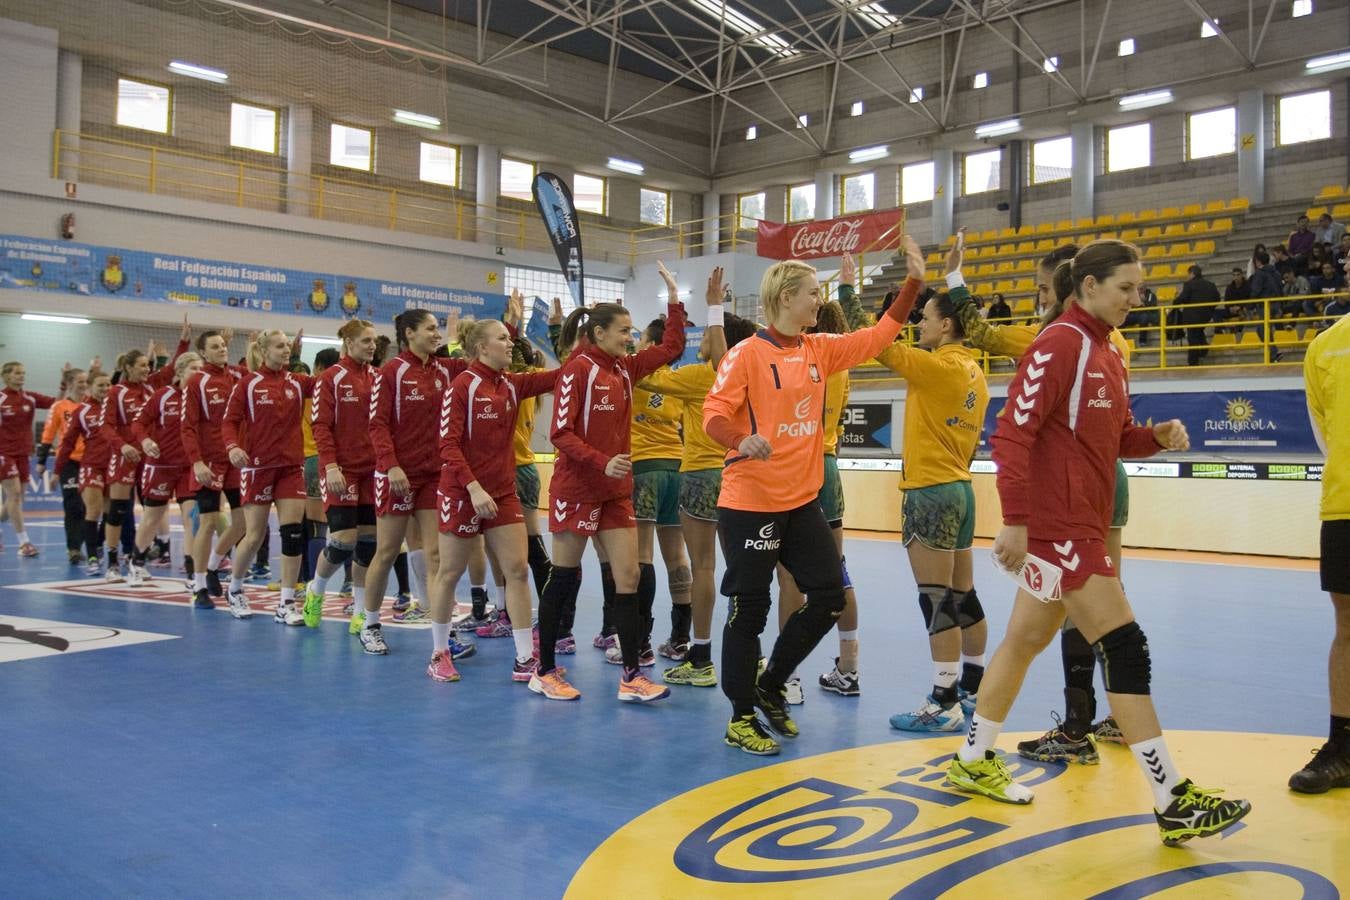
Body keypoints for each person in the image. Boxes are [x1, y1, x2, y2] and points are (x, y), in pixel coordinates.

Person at [947, 239, 1252, 846]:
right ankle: (1172, 799)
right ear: (1089, 286)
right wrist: (1016, 520)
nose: (1137, 299)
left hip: (1080, 522)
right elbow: (1011, 434)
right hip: (1062, 530)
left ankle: (974, 757)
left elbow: (1113, 440)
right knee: (1126, 647)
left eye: (1140, 289)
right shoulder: (1060, 343)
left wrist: (1154, 437)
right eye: (1126, 288)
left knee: (1023, 641)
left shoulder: (1109, 351)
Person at [702, 236, 923, 755]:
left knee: (828, 596)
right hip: (750, 502)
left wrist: (913, 283)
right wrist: (741, 439)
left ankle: (772, 682)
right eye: (812, 293)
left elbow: (878, 336)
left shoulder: (819, 348)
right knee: (750, 609)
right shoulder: (747, 354)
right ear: (785, 297)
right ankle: (740, 717)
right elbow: (714, 415)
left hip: (801, 501)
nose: (818, 301)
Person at [952, 238, 1133, 763]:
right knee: (1088, 610)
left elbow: (983, 335)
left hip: (1070, 491)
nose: (1038, 297)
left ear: (1071, 286)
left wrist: (957, 282)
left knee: (1092, 613)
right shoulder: (1112, 343)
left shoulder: (1057, 339)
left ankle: (1079, 728)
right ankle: (1111, 720)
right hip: (1107, 481)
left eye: (1041, 288)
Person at [529, 262, 687, 703]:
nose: (630, 338)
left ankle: (632, 676)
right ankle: (544, 670)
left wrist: (675, 299)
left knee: (629, 576)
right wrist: (602, 462)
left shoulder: (625, 370)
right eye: (623, 332)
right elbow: (559, 433)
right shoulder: (577, 370)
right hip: (577, 489)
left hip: (615, 493)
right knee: (564, 577)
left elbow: (672, 346)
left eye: (633, 332)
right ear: (598, 333)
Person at [860, 244, 990, 733]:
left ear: (947, 325)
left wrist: (851, 294)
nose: (920, 325)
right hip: (961, 489)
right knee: (963, 594)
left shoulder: (935, 367)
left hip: (930, 491)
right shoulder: (976, 373)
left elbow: (877, 343)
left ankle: (944, 700)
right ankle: (973, 688)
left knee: (935, 598)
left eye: (927, 319)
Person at [427, 320, 558, 681]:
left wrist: (581, 344)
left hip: (502, 493)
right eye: (502, 338)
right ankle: (439, 653)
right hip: (462, 492)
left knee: (517, 570)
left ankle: (524, 658)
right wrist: (473, 488)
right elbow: (448, 445)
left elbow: (559, 377)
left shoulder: (512, 385)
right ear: (482, 348)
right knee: (449, 572)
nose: (510, 343)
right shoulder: (462, 386)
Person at [636, 292, 749, 690]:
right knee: (742, 571)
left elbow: (647, 376)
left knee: (703, 567)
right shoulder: (746, 374)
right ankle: (750, 654)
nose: (699, 340)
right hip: (739, 475)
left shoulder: (702, 376)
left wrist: (636, 351)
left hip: (700, 474)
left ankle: (700, 655)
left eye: (707, 334)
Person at [360, 309, 465, 653]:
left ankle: (442, 636)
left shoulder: (444, 370)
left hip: (433, 476)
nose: (437, 334)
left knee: (436, 555)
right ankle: (370, 624)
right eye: (430, 329)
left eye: (438, 329)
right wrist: (391, 466)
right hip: (397, 475)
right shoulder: (391, 372)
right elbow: (377, 424)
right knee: (387, 551)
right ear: (409, 333)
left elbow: (480, 362)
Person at [607, 314, 692, 668]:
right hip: (677, 468)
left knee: (642, 556)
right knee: (677, 557)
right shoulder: (679, 381)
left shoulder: (635, 375)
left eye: (641, 340)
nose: (635, 344)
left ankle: (640, 643)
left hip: (644, 468)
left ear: (654, 346)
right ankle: (681, 639)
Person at [222, 331, 312, 623]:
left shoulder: (297, 382)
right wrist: (233, 447)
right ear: (264, 351)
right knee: (254, 536)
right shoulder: (248, 384)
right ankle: (235, 589)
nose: (285, 350)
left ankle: (286, 603)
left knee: (293, 533)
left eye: (287, 346)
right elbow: (229, 422)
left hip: (291, 468)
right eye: (279, 346)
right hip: (257, 469)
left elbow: (329, 384)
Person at [1298, 311, 1350, 792]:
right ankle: (1344, 747)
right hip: (1344, 504)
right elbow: (1325, 436)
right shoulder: (1326, 345)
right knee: (1347, 624)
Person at [303, 319, 380, 629]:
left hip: (373, 471)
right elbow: (320, 426)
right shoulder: (330, 378)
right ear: (349, 343)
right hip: (341, 471)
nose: (372, 346)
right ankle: (316, 589)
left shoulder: (378, 377)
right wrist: (331, 465)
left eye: (374, 341)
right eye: (366, 341)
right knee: (343, 542)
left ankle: (359, 610)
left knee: (369, 543)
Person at [182, 330, 248, 609]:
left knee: (243, 523)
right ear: (203, 352)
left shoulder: (237, 376)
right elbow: (187, 426)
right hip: (209, 461)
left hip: (235, 460)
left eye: (223, 345)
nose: (222, 349)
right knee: (208, 522)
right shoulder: (197, 382)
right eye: (215, 346)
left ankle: (212, 567)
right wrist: (196, 462)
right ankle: (198, 587)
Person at [126, 352, 203, 588]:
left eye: (201, 369)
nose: (199, 373)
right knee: (152, 518)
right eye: (194, 369)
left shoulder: (203, 398)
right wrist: (146, 441)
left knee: (192, 519)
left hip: (189, 468)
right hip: (161, 466)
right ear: (180, 372)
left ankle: (192, 573)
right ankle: (136, 563)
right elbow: (138, 423)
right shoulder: (162, 396)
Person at [54, 371, 114, 575]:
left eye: (108, 385)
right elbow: (68, 442)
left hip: (113, 466)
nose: (105, 389)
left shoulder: (116, 408)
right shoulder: (82, 411)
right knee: (93, 510)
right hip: (91, 465)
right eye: (100, 385)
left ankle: (98, 544)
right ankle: (92, 558)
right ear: (90, 387)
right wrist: (57, 470)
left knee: (110, 512)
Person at [0, 361, 59, 558]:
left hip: (24, 453)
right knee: (15, 495)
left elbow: (58, 404)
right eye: (17, 373)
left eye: (23, 373)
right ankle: (24, 543)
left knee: (16, 500)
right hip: (3, 453)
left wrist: (64, 385)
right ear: (6, 376)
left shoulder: (30, 398)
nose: (21, 376)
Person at [36, 368, 89, 564]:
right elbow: (48, 433)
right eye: (80, 381)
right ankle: (74, 549)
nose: (84, 385)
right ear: (70, 384)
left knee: (88, 507)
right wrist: (42, 461)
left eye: (85, 381)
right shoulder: (59, 406)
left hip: (91, 461)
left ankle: (91, 546)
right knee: (73, 505)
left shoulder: (92, 404)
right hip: (69, 461)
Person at [1176, 265, 1219, 366]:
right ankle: (1204, 349)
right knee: (1198, 332)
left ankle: (1193, 362)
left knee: (1192, 338)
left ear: (1192, 274)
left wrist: (1175, 301)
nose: (1187, 276)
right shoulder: (1211, 285)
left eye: (1188, 274)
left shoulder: (1189, 284)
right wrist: (1209, 309)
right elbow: (1217, 299)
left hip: (1192, 316)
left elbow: (1183, 298)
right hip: (1206, 315)